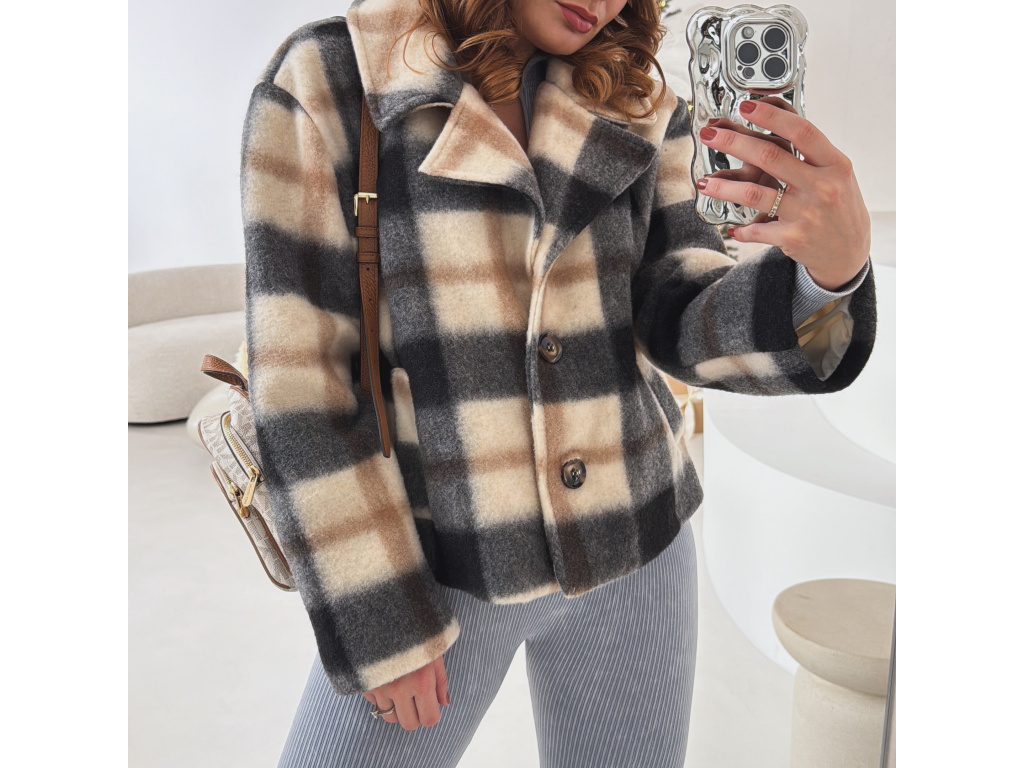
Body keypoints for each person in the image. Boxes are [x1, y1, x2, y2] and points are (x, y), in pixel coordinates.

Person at [239, 0, 877, 765]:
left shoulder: (636, 96)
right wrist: (379, 620)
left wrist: (827, 278)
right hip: (440, 568)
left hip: (637, 545)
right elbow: (301, 382)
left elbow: (677, 311)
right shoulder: (332, 77)